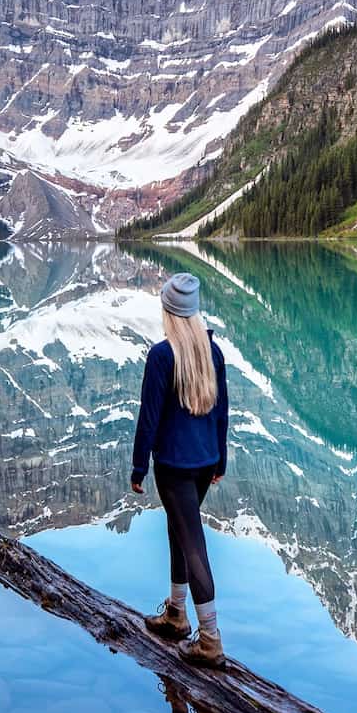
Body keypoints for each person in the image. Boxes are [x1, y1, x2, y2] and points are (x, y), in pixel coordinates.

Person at [131, 272, 228, 669]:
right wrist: (221, 460)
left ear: (169, 312)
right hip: (205, 461)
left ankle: (210, 640)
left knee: (193, 544)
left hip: (173, 465)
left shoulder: (162, 355)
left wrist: (138, 466)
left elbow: (149, 417)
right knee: (179, 530)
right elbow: (221, 412)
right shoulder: (211, 351)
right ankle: (175, 615)